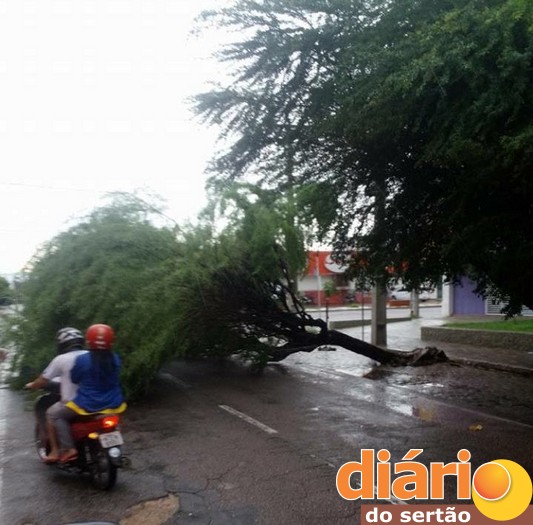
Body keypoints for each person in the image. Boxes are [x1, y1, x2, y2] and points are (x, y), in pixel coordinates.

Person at [47, 323, 127, 463]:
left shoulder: (83, 360)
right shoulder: (115, 358)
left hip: (88, 405)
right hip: (115, 403)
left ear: (89, 341)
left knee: (55, 415)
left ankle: (69, 449)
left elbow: (75, 378)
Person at [25, 327, 88, 463]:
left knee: (52, 414)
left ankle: (59, 450)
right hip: (98, 401)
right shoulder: (90, 355)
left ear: (61, 344)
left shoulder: (60, 359)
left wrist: (32, 385)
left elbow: (43, 380)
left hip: (75, 404)